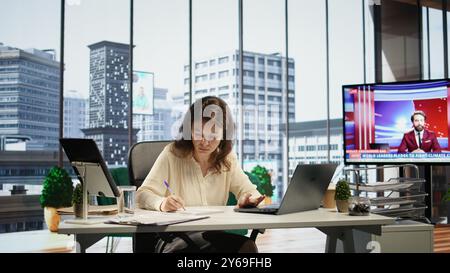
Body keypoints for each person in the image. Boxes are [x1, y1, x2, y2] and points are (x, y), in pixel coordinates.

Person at [136, 96, 265, 253]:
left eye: (212, 134)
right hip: (173, 238)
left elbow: (251, 192)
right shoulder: (172, 154)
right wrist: (162, 203)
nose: (204, 141)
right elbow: (142, 194)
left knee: (247, 247)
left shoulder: (227, 159)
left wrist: (250, 199)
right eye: (198, 132)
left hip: (212, 236)